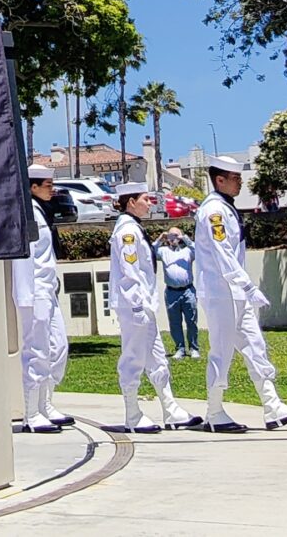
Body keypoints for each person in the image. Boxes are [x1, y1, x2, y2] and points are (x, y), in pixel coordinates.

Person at [192, 155, 287, 432]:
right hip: (222, 292)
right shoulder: (214, 212)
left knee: (255, 345)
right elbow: (223, 255)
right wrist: (246, 285)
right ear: (219, 180)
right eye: (235, 178)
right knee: (221, 351)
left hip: (234, 293)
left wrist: (244, 289)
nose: (240, 182)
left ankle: (273, 406)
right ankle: (215, 411)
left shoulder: (225, 208)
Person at [106, 183, 199, 432]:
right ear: (131, 202)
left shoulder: (134, 228)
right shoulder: (127, 231)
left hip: (142, 304)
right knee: (133, 357)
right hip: (133, 304)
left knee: (157, 357)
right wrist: (136, 304)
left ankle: (171, 409)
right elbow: (130, 271)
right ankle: (132, 414)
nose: (150, 203)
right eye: (145, 199)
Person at [13, 165, 71, 433]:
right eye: (48, 185)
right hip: (35, 291)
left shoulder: (42, 213)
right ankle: (31, 412)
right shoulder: (27, 215)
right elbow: (25, 260)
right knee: (35, 350)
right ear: (33, 188)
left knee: (57, 347)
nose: (53, 190)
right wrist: (28, 297)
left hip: (48, 289)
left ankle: (46, 402)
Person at [158, 228, 199, 359]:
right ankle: (180, 348)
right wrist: (160, 239)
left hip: (188, 290)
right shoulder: (163, 251)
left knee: (191, 320)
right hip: (171, 292)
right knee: (175, 322)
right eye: (170, 236)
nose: (173, 238)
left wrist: (184, 237)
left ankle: (193, 348)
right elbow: (149, 252)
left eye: (175, 235)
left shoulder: (187, 251)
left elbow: (198, 251)